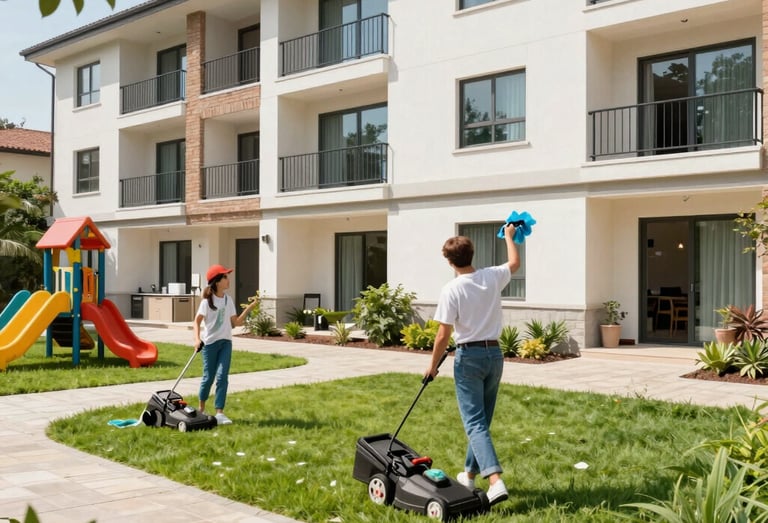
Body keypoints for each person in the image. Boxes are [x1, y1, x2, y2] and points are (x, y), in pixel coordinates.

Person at [424, 222, 520, 505]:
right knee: (481, 422)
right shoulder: (491, 276)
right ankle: (468, 475)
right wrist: (510, 237)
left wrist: (432, 366)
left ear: (449, 261)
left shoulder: (451, 289)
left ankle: (495, 480)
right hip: (494, 356)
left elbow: (443, 334)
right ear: (471, 255)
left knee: (475, 423)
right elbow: (514, 262)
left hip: (469, 359)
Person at [193, 264, 258, 425]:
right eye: (225, 277)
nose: (228, 280)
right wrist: (196, 339)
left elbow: (235, 323)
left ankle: (219, 413)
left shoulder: (228, 300)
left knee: (222, 377)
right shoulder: (207, 302)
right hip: (210, 344)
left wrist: (249, 309)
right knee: (208, 378)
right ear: (216, 281)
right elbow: (197, 321)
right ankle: (201, 409)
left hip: (225, 343)